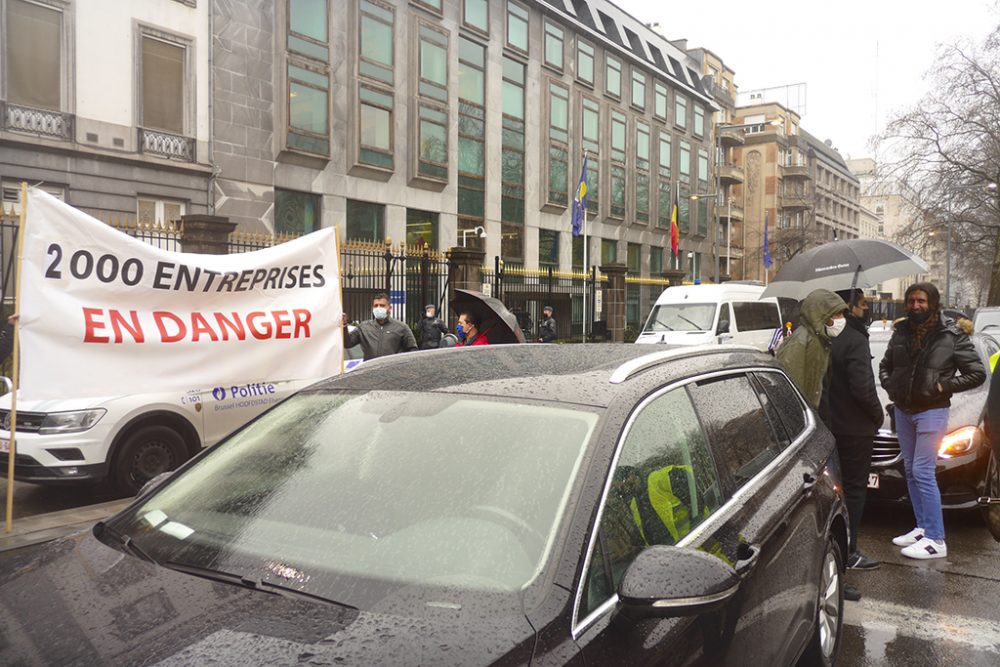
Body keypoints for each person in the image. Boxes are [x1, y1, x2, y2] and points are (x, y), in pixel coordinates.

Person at [879, 283, 985, 559]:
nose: (916, 306)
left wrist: (941, 387)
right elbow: (885, 366)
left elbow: (977, 373)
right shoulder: (901, 332)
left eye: (922, 301)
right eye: (912, 301)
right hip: (903, 411)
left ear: (933, 303)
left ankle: (936, 539)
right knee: (912, 471)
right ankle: (923, 527)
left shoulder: (951, 334)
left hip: (932, 411)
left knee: (924, 471)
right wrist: (892, 387)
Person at [819, 289, 884, 599]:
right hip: (855, 429)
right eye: (862, 303)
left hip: (830, 426)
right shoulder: (855, 339)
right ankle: (851, 549)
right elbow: (863, 387)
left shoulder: (826, 338)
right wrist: (876, 416)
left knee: (837, 491)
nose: (866, 307)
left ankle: (840, 548)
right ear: (848, 307)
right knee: (855, 492)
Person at [775, 289, 848, 409]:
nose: (842, 319)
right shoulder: (801, 342)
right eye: (838, 314)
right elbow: (791, 391)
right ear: (823, 315)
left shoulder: (821, 340)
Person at [342, 293, 417, 361]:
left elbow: (413, 350)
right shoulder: (364, 327)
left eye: (382, 305)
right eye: (375, 306)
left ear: (389, 308)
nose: (378, 308)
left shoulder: (401, 327)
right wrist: (344, 326)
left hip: (392, 371)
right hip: (369, 371)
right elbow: (348, 343)